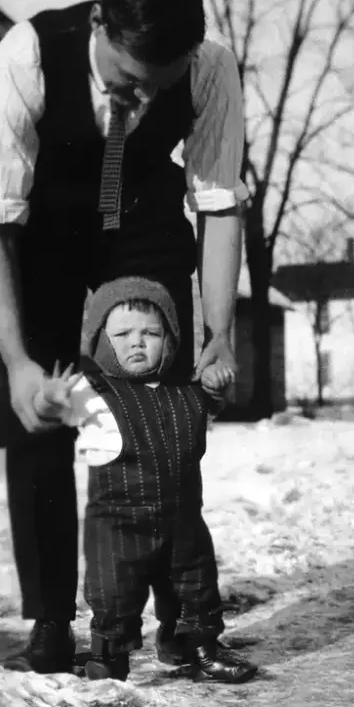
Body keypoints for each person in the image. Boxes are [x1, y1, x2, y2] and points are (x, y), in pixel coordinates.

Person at [0, 0, 248, 675]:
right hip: (48, 230)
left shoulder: (209, 68)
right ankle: (51, 622)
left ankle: (183, 621)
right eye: (127, 80)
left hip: (144, 222)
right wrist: (18, 361)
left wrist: (219, 334)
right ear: (99, 22)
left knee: (162, 414)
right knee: (43, 410)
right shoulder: (26, 58)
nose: (143, 98)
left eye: (159, 84)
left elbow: (218, 204)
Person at [31, 277, 258, 684]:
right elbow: (47, 413)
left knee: (195, 584)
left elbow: (213, 404)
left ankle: (197, 645)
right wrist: (49, 397)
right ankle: (109, 655)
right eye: (122, 334)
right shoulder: (89, 392)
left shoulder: (185, 393)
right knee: (114, 593)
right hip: (118, 528)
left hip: (182, 524)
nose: (137, 342)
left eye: (150, 333)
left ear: (169, 340)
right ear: (101, 340)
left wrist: (217, 384)